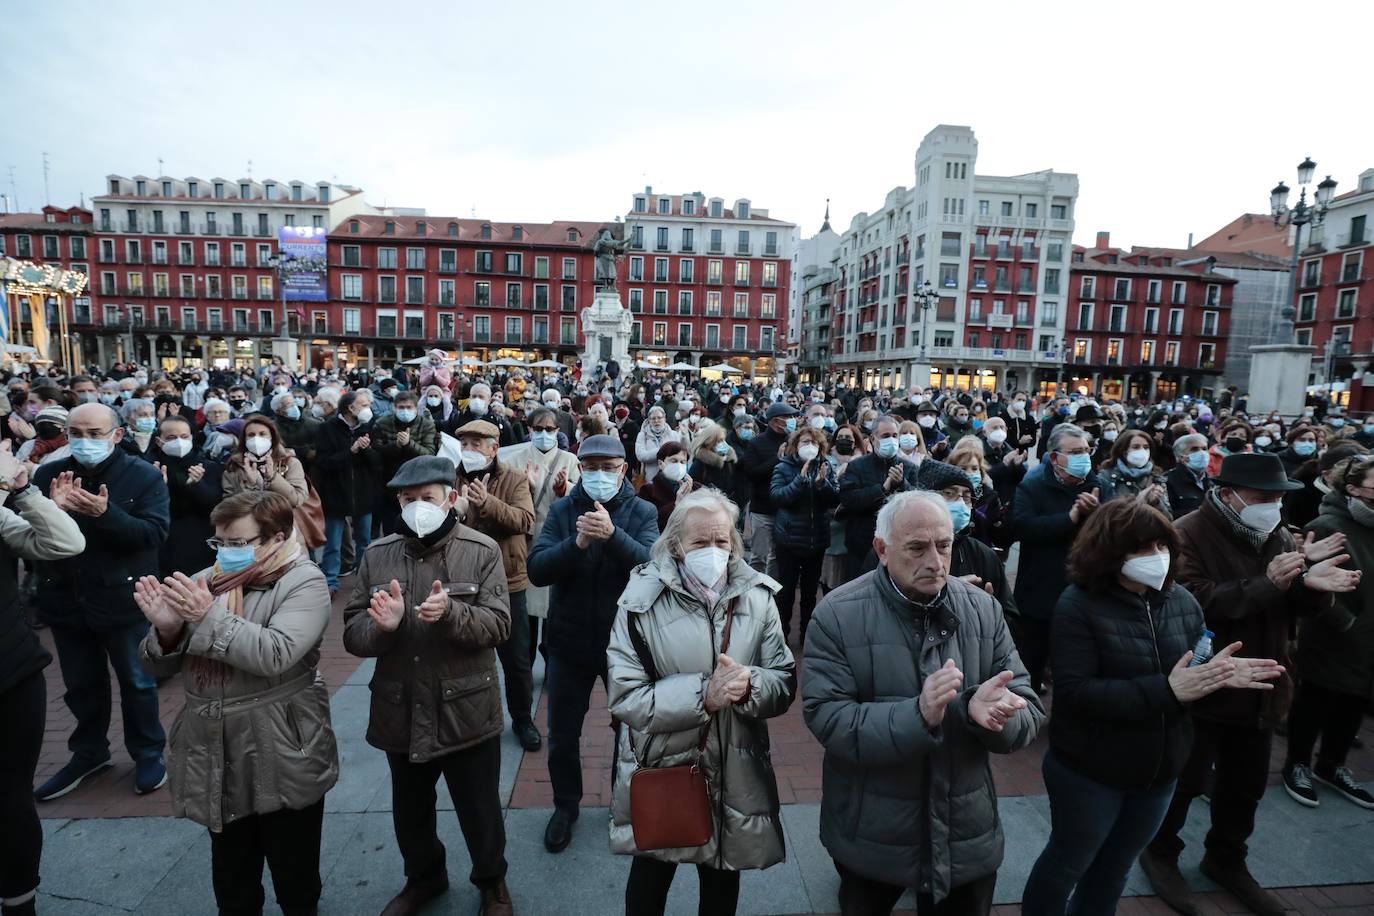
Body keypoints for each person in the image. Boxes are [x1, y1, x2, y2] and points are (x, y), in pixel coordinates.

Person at [1022, 499, 1283, 915]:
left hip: (1160, 771)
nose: (1157, 558)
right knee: (1068, 863)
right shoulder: (1078, 605)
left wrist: (1216, 677)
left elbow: (1193, 670)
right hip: (1091, 771)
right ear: (1109, 553)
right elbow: (1077, 692)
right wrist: (1168, 690)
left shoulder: (1181, 601)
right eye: (1142, 549)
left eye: (1163, 546)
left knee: (1115, 867)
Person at [803, 491, 1044, 915]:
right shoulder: (837, 615)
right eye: (917, 548)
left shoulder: (983, 609)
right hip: (872, 832)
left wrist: (995, 717)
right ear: (882, 549)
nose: (935, 560)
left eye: (944, 545)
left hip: (965, 830)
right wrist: (918, 714)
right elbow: (829, 717)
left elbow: (1026, 708)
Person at [1139, 453, 1359, 916]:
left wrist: (1313, 586)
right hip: (1207, 680)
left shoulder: (1275, 533)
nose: (1274, 506)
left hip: (1265, 679)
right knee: (1186, 778)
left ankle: (1227, 859)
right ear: (1227, 495)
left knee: (1246, 784)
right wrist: (1268, 583)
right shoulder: (1185, 533)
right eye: (1264, 498)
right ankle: (1161, 853)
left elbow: (1289, 604)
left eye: (1280, 498)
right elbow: (1189, 602)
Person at [135, 491, 336, 916]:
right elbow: (159, 668)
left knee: (294, 871)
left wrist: (206, 618)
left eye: (238, 543)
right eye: (219, 543)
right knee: (231, 872)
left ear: (275, 538)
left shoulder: (304, 581)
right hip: (213, 744)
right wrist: (169, 632)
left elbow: (276, 653)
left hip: (282, 742)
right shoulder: (207, 581)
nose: (225, 553)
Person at [605, 489, 796, 916]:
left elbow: (783, 680)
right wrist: (703, 696)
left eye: (722, 541)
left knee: (722, 882)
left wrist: (751, 686)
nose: (713, 551)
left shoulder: (759, 597)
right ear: (676, 544)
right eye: (700, 542)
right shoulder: (640, 601)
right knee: (651, 876)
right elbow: (626, 697)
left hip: (735, 766)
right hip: (665, 764)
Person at [342, 456, 515, 916]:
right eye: (408, 499)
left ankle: (491, 881)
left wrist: (453, 614)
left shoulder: (481, 550)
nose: (418, 506)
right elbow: (352, 631)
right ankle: (424, 877)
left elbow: (499, 625)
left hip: (466, 704)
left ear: (451, 499)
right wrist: (383, 627)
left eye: (428, 498)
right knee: (411, 809)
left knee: (479, 808)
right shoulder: (378, 554)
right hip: (402, 703)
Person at [31, 403, 171, 801]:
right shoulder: (48, 474)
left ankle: (147, 753)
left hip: (123, 598)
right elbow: (30, 540)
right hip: (66, 596)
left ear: (116, 435)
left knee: (138, 681)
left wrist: (107, 514)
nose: (84, 441)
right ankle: (88, 753)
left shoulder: (142, 475)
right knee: (81, 684)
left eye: (95, 433)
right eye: (76, 433)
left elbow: (153, 534)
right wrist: (51, 514)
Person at [527, 434, 658, 854]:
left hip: (625, 644)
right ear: (581, 468)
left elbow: (654, 567)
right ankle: (566, 805)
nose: (601, 475)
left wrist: (612, 536)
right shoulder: (564, 511)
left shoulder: (643, 510)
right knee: (563, 734)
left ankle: (628, 801)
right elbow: (538, 569)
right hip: (569, 641)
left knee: (631, 731)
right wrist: (578, 542)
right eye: (593, 467)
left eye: (609, 467)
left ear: (624, 470)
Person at [0, 443, 85, 916]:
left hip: (12, 670)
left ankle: (19, 901)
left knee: (11, 795)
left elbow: (65, 543)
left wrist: (24, 491)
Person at [1284, 454, 1374, 810]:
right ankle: (1298, 763)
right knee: (1315, 701)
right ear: (1352, 488)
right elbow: (1310, 582)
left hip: (1368, 641)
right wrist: (1346, 622)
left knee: (1353, 703)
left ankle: (1332, 765)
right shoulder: (1327, 524)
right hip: (1333, 636)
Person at [452, 419, 539, 752]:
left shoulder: (514, 479)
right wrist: (454, 512)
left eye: (478, 444)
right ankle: (469, 720)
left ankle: (522, 719)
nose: (471, 451)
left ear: (494, 448)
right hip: (464, 580)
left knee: (516, 659)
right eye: (465, 445)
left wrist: (487, 503)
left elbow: (525, 521)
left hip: (507, 580)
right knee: (465, 655)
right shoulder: (452, 478)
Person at [1011, 423, 1101, 694]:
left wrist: (1098, 515)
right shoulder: (1032, 486)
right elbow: (1022, 527)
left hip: (1083, 586)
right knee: (1033, 656)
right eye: (1074, 452)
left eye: (1086, 450)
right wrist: (1069, 518)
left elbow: (1111, 532)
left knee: (1074, 659)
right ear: (1054, 457)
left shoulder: (1097, 485)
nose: (1083, 457)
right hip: (1040, 586)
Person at [770, 424, 839, 644]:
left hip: (815, 540)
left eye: (814, 443)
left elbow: (835, 499)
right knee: (786, 590)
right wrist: (799, 481)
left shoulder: (825, 466)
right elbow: (778, 497)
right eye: (805, 443)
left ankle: (806, 636)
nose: (810, 447)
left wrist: (822, 485)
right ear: (795, 446)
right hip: (789, 540)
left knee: (810, 593)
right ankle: (781, 636)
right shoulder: (783, 467)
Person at [836, 415, 922, 583]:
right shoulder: (857, 466)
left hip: (896, 546)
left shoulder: (909, 468)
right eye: (885, 436)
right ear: (873, 438)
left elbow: (917, 501)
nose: (891, 440)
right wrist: (883, 488)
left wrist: (902, 483)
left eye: (894, 435)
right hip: (861, 544)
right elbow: (849, 499)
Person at [313, 390, 381, 593]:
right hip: (336, 492)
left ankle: (363, 581)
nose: (368, 409)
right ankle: (330, 582)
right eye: (364, 405)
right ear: (351, 408)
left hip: (363, 493)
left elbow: (377, 462)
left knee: (365, 541)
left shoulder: (370, 426)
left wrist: (366, 449)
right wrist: (350, 451)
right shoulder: (327, 428)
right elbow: (323, 462)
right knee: (333, 543)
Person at [153, 414, 224, 577]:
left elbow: (216, 508)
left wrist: (197, 485)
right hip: (164, 545)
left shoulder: (208, 467)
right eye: (171, 437)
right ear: (159, 441)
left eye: (184, 436)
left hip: (201, 544)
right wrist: (158, 489)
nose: (179, 441)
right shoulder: (150, 467)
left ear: (191, 438)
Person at [740, 402, 797, 578]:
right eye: (788, 418)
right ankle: (752, 592)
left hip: (786, 509)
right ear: (775, 421)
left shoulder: (794, 441)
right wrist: (776, 459)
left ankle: (773, 594)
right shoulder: (757, 443)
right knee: (759, 556)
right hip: (763, 510)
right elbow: (751, 474)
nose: (792, 421)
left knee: (777, 557)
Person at [372, 390, 440, 533]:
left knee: (415, 526)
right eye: (401, 407)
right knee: (391, 527)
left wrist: (409, 444)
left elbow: (429, 453)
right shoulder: (382, 423)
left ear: (416, 408)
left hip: (418, 480)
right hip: (389, 482)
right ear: (395, 407)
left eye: (409, 407)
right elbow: (376, 451)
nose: (405, 411)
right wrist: (395, 445)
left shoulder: (426, 424)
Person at [222, 415, 309, 507]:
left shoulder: (290, 462)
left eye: (262, 434)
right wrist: (250, 486)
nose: (256, 439)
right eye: (251, 435)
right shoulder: (234, 467)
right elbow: (229, 506)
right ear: (244, 440)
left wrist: (273, 478)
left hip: (282, 519)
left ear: (272, 437)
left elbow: (296, 500)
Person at [1097, 428, 1172, 517]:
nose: (1142, 451)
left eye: (1146, 447)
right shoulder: (1106, 477)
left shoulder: (1157, 478)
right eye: (1136, 447)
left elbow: (1169, 519)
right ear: (1123, 451)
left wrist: (1156, 503)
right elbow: (1102, 517)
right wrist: (1137, 504)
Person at [638, 440, 691, 532]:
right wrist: (676, 504)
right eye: (674, 461)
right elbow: (649, 524)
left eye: (683, 462)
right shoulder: (648, 491)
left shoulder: (695, 487)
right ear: (660, 464)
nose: (679, 465)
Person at [1165, 432, 1211, 519]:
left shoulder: (1213, 481)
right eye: (1194, 449)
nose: (1202, 453)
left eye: (1204, 449)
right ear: (1181, 456)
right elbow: (1168, 514)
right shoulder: (1168, 480)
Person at [686, 420, 737, 496]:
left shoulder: (728, 460)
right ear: (709, 442)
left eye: (724, 440)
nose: (724, 444)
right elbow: (692, 487)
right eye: (719, 441)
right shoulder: (700, 463)